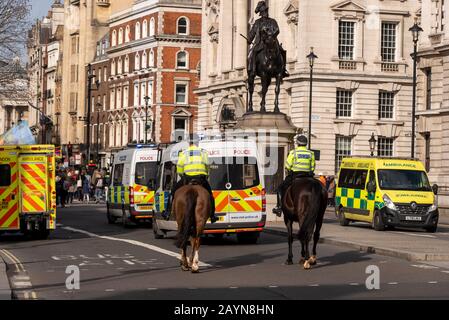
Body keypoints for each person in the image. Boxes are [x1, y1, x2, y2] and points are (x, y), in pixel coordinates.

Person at [164, 135, 218, 223]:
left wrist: (182, 175)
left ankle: (167, 212)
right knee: (210, 196)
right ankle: (212, 215)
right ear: (197, 142)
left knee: (173, 193)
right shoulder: (203, 152)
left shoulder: (184, 152)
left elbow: (179, 166)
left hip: (187, 178)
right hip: (201, 179)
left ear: (189, 143)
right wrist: (206, 174)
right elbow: (207, 165)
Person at [272, 134, 315, 217]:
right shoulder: (311, 153)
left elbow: (287, 166)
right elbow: (312, 167)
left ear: (297, 143)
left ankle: (279, 207)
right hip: (308, 176)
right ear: (306, 144)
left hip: (295, 175)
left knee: (280, 188)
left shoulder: (293, 152)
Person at [247, 1, 289, 79]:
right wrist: (249, 39)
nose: (265, 13)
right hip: (260, 43)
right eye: (264, 12)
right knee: (253, 53)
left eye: (266, 11)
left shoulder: (272, 21)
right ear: (261, 13)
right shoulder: (257, 23)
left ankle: (283, 69)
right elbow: (252, 33)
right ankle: (252, 70)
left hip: (272, 42)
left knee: (282, 51)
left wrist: (271, 36)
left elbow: (277, 30)